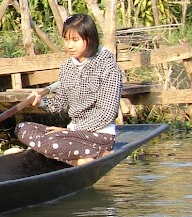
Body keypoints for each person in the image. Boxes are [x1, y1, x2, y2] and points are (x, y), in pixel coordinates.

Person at [14, 13, 123, 166]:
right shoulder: (67, 67)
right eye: (66, 39)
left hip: (98, 136)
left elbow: (106, 114)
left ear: (90, 39)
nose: (69, 45)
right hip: (70, 135)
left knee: (52, 141)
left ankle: (99, 153)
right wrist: (40, 102)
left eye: (75, 40)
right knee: (22, 128)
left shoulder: (108, 68)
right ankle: (75, 160)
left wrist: (72, 130)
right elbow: (61, 104)